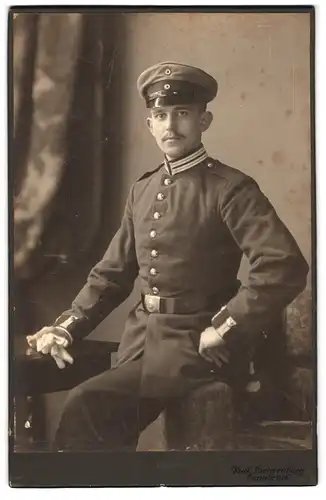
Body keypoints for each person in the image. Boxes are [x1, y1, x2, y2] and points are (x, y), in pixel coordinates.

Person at [26, 61, 309, 451]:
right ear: (150, 124)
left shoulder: (230, 188)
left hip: (200, 344)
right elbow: (112, 274)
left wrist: (224, 326)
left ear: (204, 121)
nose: (170, 126)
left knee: (88, 405)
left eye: (182, 114)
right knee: (100, 425)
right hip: (142, 339)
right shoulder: (143, 190)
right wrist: (67, 326)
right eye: (160, 115)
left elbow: (284, 265)